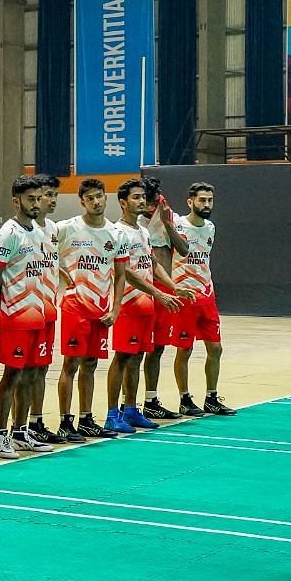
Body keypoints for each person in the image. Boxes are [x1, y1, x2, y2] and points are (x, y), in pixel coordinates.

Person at [103, 179, 181, 435]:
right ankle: (112, 414)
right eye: (135, 197)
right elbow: (124, 270)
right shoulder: (116, 232)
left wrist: (173, 286)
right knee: (123, 357)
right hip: (126, 303)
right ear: (123, 202)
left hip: (146, 304)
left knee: (137, 358)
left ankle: (131, 409)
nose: (141, 201)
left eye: (143, 197)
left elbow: (152, 264)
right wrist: (158, 292)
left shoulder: (143, 231)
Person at [152, 182, 235, 417]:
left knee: (215, 348)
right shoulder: (177, 224)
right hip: (184, 296)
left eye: (210, 200)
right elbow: (177, 246)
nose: (206, 204)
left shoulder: (210, 227)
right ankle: (185, 399)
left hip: (207, 296)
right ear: (190, 202)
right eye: (202, 200)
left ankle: (211, 397)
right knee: (184, 350)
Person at [54, 178, 125, 443]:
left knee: (91, 364)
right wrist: (60, 271)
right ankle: (65, 422)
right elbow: (44, 250)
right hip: (75, 308)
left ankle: (86, 419)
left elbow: (120, 275)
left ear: (106, 198)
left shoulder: (116, 234)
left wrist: (116, 309)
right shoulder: (66, 228)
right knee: (71, 363)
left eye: (99, 196)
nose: (96, 202)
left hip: (101, 310)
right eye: (90, 198)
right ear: (82, 201)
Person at [0, 176, 51, 458]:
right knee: (11, 376)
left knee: (29, 374)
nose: (36, 204)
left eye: (38, 199)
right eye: (30, 199)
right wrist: (0, 305)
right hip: (15, 316)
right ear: (16, 201)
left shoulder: (38, 232)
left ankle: (20, 431)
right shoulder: (8, 233)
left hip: (36, 315)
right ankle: (1, 437)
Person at [139, 181, 194, 421]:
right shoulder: (136, 224)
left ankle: (151, 401)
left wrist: (167, 222)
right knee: (134, 352)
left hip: (165, 289)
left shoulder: (170, 218)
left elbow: (183, 249)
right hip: (141, 291)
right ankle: (125, 406)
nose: (159, 203)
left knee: (158, 347)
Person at [25, 174, 62, 445]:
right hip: (26, 311)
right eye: (46, 195)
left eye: (53, 196)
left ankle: (36, 422)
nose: (50, 201)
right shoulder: (21, 230)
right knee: (23, 371)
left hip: (49, 308)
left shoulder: (52, 229)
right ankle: (19, 427)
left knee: (42, 367)